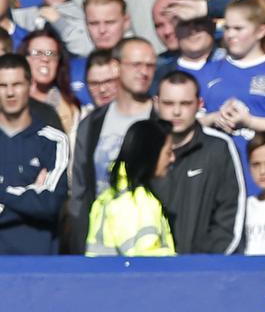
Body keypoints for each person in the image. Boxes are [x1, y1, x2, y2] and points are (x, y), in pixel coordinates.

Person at [200, 0, 265, 191]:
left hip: (260, 183)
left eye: (238, 29)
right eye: (227, 28)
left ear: (261, 31)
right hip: (214, 177)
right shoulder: (208, 72)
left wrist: (249, 122)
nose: (230, 34)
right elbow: (186, 123)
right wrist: (214, 118)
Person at [67, 36, 156, 254]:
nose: (144, 72)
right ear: (117, 67)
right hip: (100, 242)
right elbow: (80, 189)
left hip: (149, 239)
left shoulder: (160, 119)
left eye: (150, 65)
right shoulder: (92, 124)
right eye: (136, 65)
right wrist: (79, 237)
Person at [153, 70, 245, 254]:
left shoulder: (219, 148)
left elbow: (230, 216)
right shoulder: (144, 147)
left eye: (185, 103)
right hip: (149, 269)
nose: (177, 111)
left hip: (204, 271)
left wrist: (205, 265)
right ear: (156, 104)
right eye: (168, 103)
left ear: (199, 104)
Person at [0, 52, 69, 254]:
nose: (10, 93)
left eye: (17, 84)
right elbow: (39, 201)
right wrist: (30, 194)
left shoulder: (53, 141)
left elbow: (50, 205)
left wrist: (2, 192)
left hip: (38, 261)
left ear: (30, 86)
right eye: (2, 86)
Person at [84, 117, 175, 256]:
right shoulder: (137, 203)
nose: (173, 158)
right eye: (168, 153)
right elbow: (146, 263)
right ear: (151, 155)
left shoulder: (110, 196)